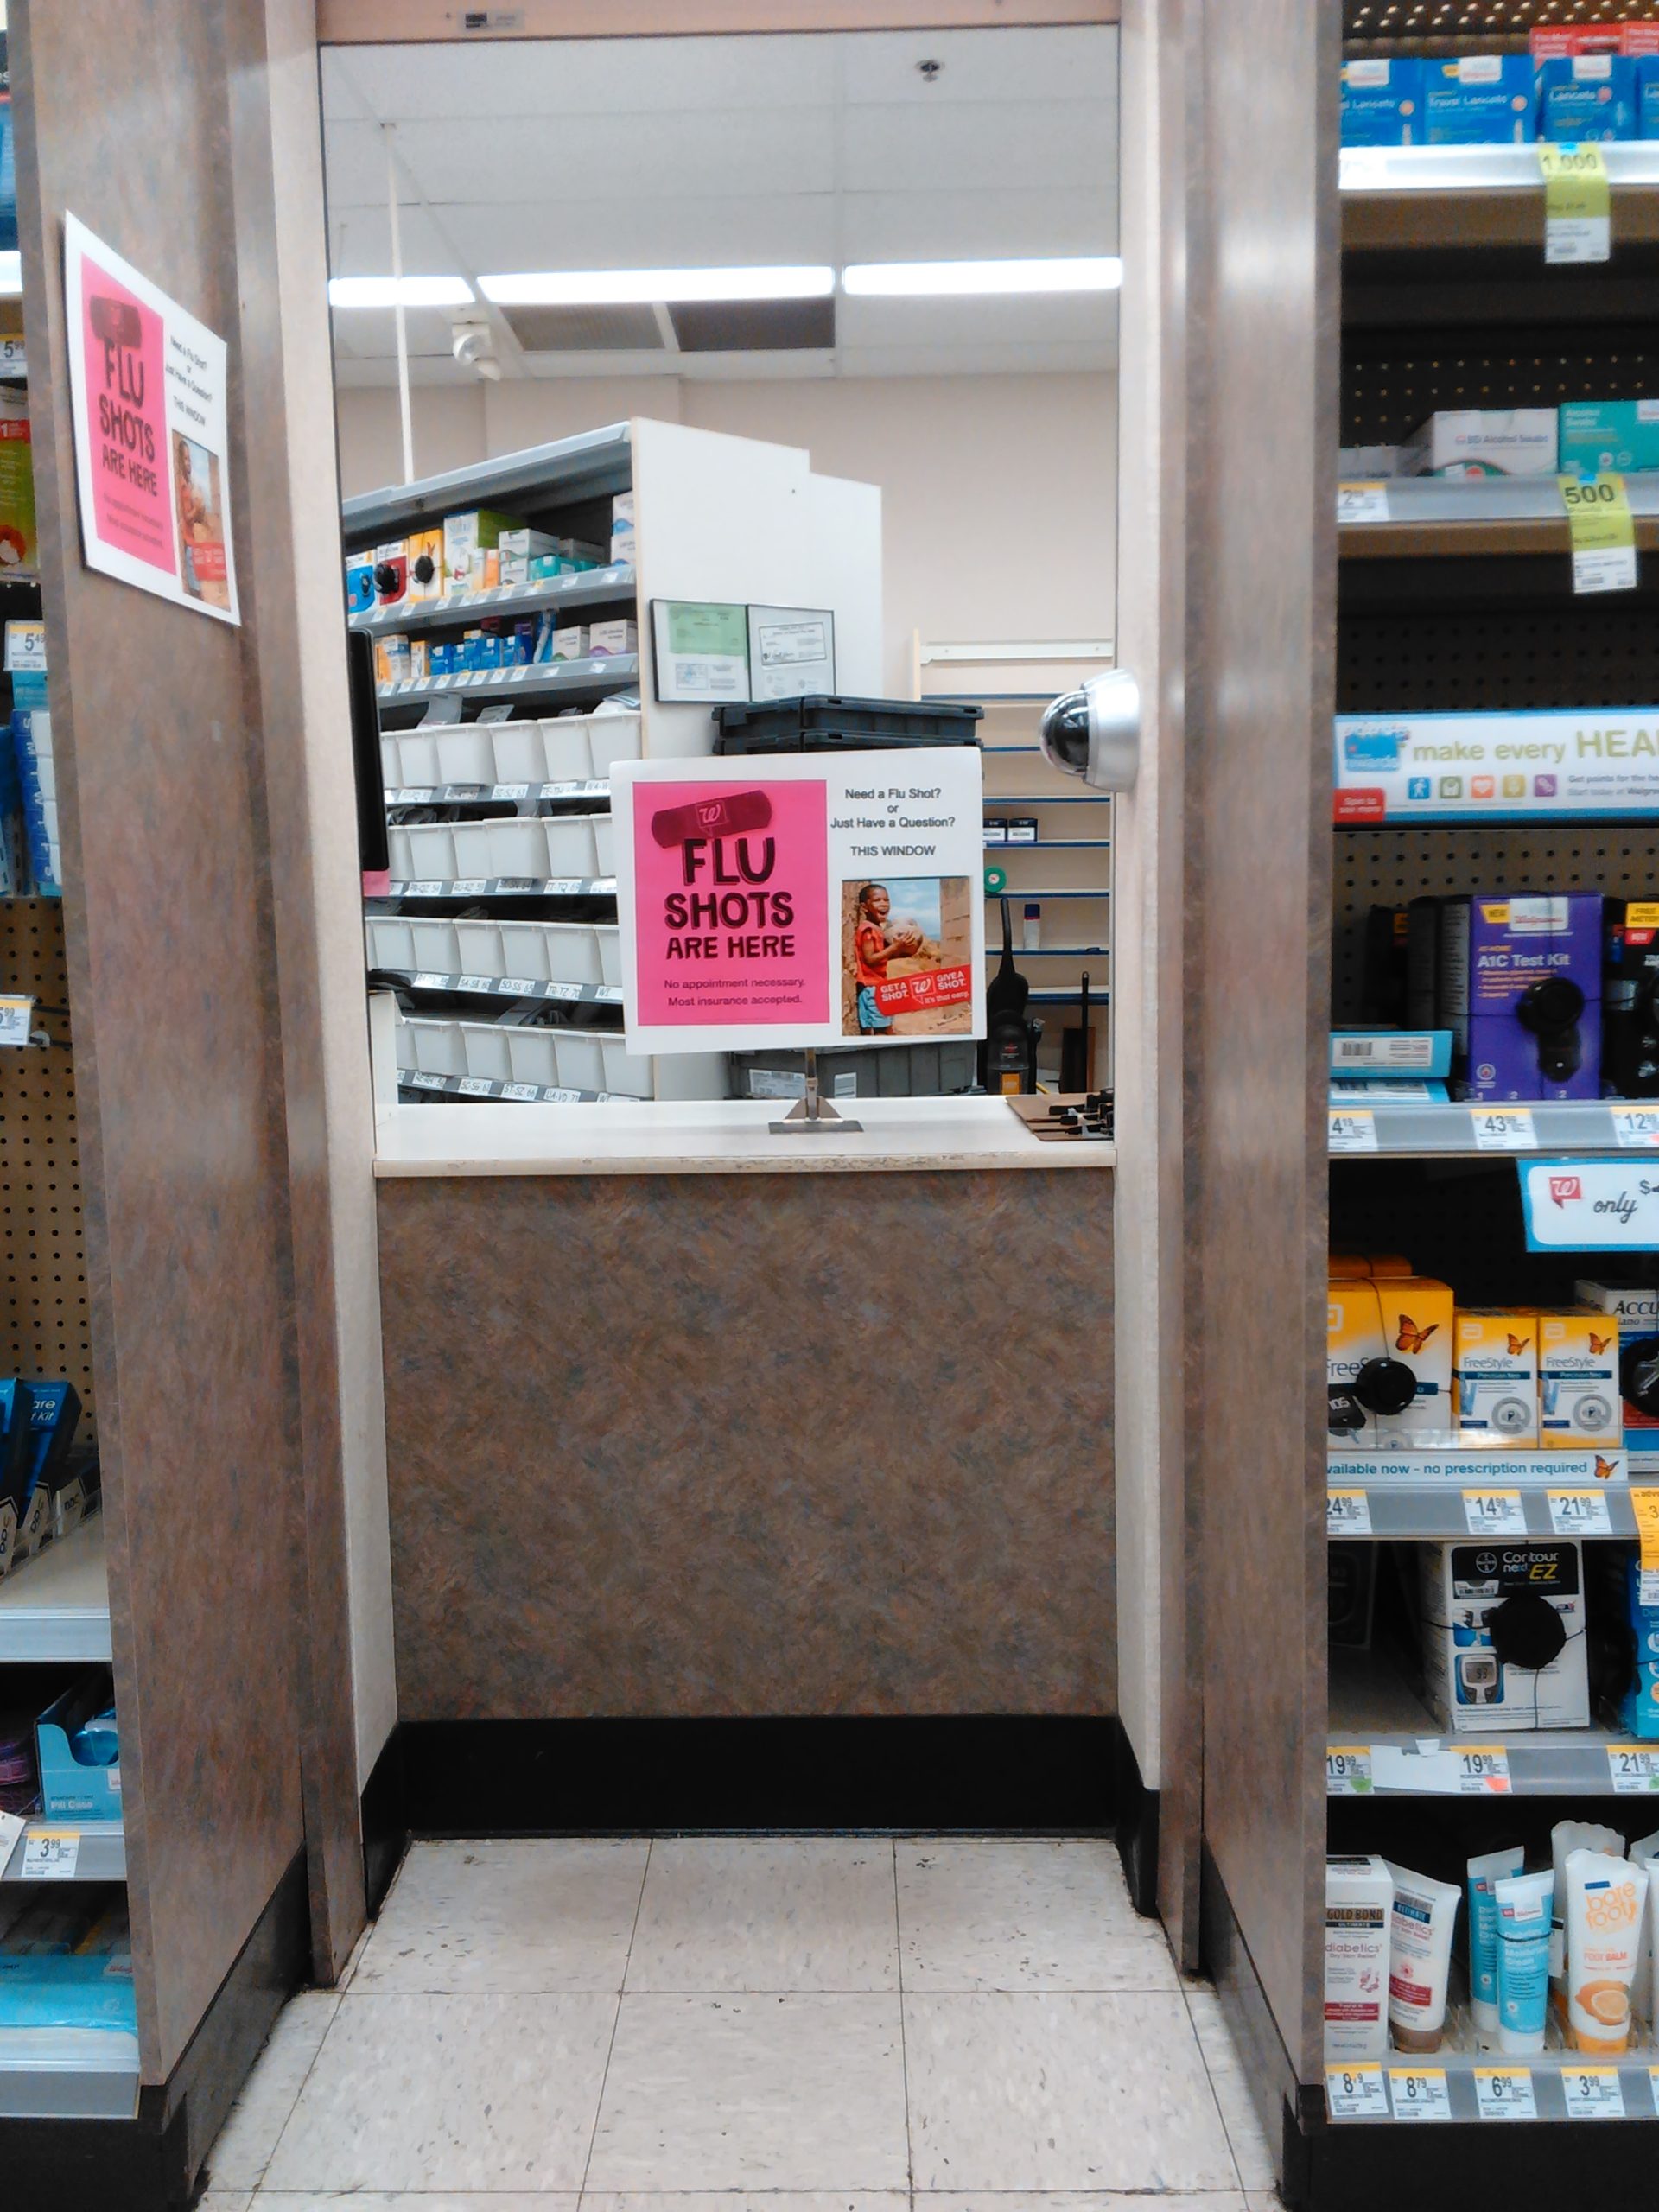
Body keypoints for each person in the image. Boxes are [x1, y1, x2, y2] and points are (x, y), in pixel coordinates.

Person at [852, 882, 919, 1034]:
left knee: (883, 1028)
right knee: (882, 1030)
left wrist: (901, 951)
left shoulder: (877, 928)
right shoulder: (868, 930)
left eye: (886, 900)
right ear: (864, 907)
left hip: (876, 986)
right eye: (877, 900)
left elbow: (880, 958)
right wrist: (895, 947)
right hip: (872, 987)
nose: (883, 904)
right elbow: (870, 959)